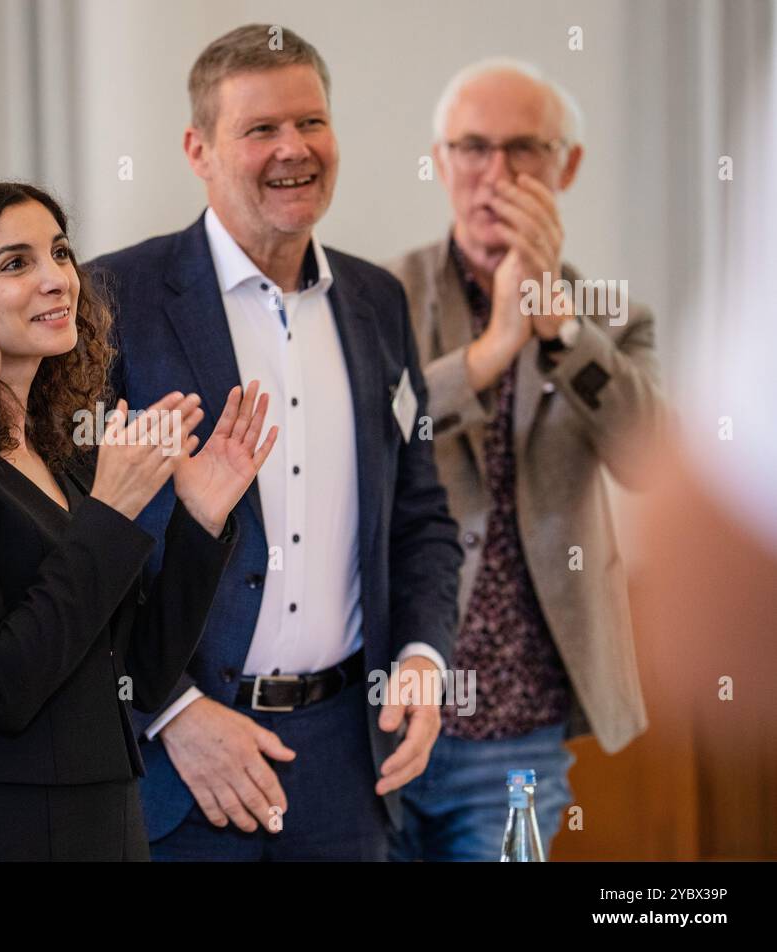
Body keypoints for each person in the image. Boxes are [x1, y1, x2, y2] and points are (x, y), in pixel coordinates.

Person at [89, 24, 463, 861]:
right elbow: (80, 535)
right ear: (199, 148)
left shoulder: (379, 301)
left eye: (311, 123)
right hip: (180, 762)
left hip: (346, 759)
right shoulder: (116, 296)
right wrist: (171, 711)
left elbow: (421, 514)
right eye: (260, 129)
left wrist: (423, 657)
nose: (294, 149)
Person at [0, 178, 277, 860]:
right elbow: (2, 686)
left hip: (111, 818)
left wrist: (199, 522)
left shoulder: (69, 460)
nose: (57, 279)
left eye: (60, 254)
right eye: (16, 263)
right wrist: (112, 513)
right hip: (0, 827)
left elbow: (142, 676)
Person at [384, 58, 667, 861]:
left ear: (566, 165)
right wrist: (492, 349)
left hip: (519, 727)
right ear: (439, 162)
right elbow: (374, 434)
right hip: (386, 711)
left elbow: (650, 459)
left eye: (524, 150)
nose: (495, 175)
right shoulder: (380, 296)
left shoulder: (615, 317)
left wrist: (558, 331)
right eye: (471, 148)